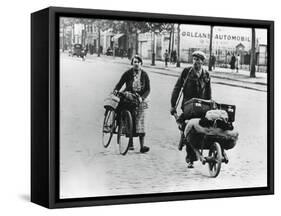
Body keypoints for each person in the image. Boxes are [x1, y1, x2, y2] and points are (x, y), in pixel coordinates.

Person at [170, 50, 212, 168]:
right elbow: (177, 87)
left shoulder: (206, 74)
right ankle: (190, 158)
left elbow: (208, 93)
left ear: (202, 62)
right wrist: (173, 105)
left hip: (202, 107)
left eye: (198, 60)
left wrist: (209, 106)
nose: (195, 62)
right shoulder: (186, 72)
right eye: (194, 59)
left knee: (204, 126)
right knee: (189, 128)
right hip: (188, 106)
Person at [114, 55, 151, 153]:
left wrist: (142, 98)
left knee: (140, 122)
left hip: (140, 100)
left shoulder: (144, 75)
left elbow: (148, 89)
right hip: (129, 98)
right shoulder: (128, 73)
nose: (136, 64)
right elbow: (120, 83)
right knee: (129, 119)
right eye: (134, 62)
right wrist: (116, 90)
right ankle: (130, 143)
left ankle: (142, 146)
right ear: (132, 63)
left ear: (141, 64)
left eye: (138, 62)